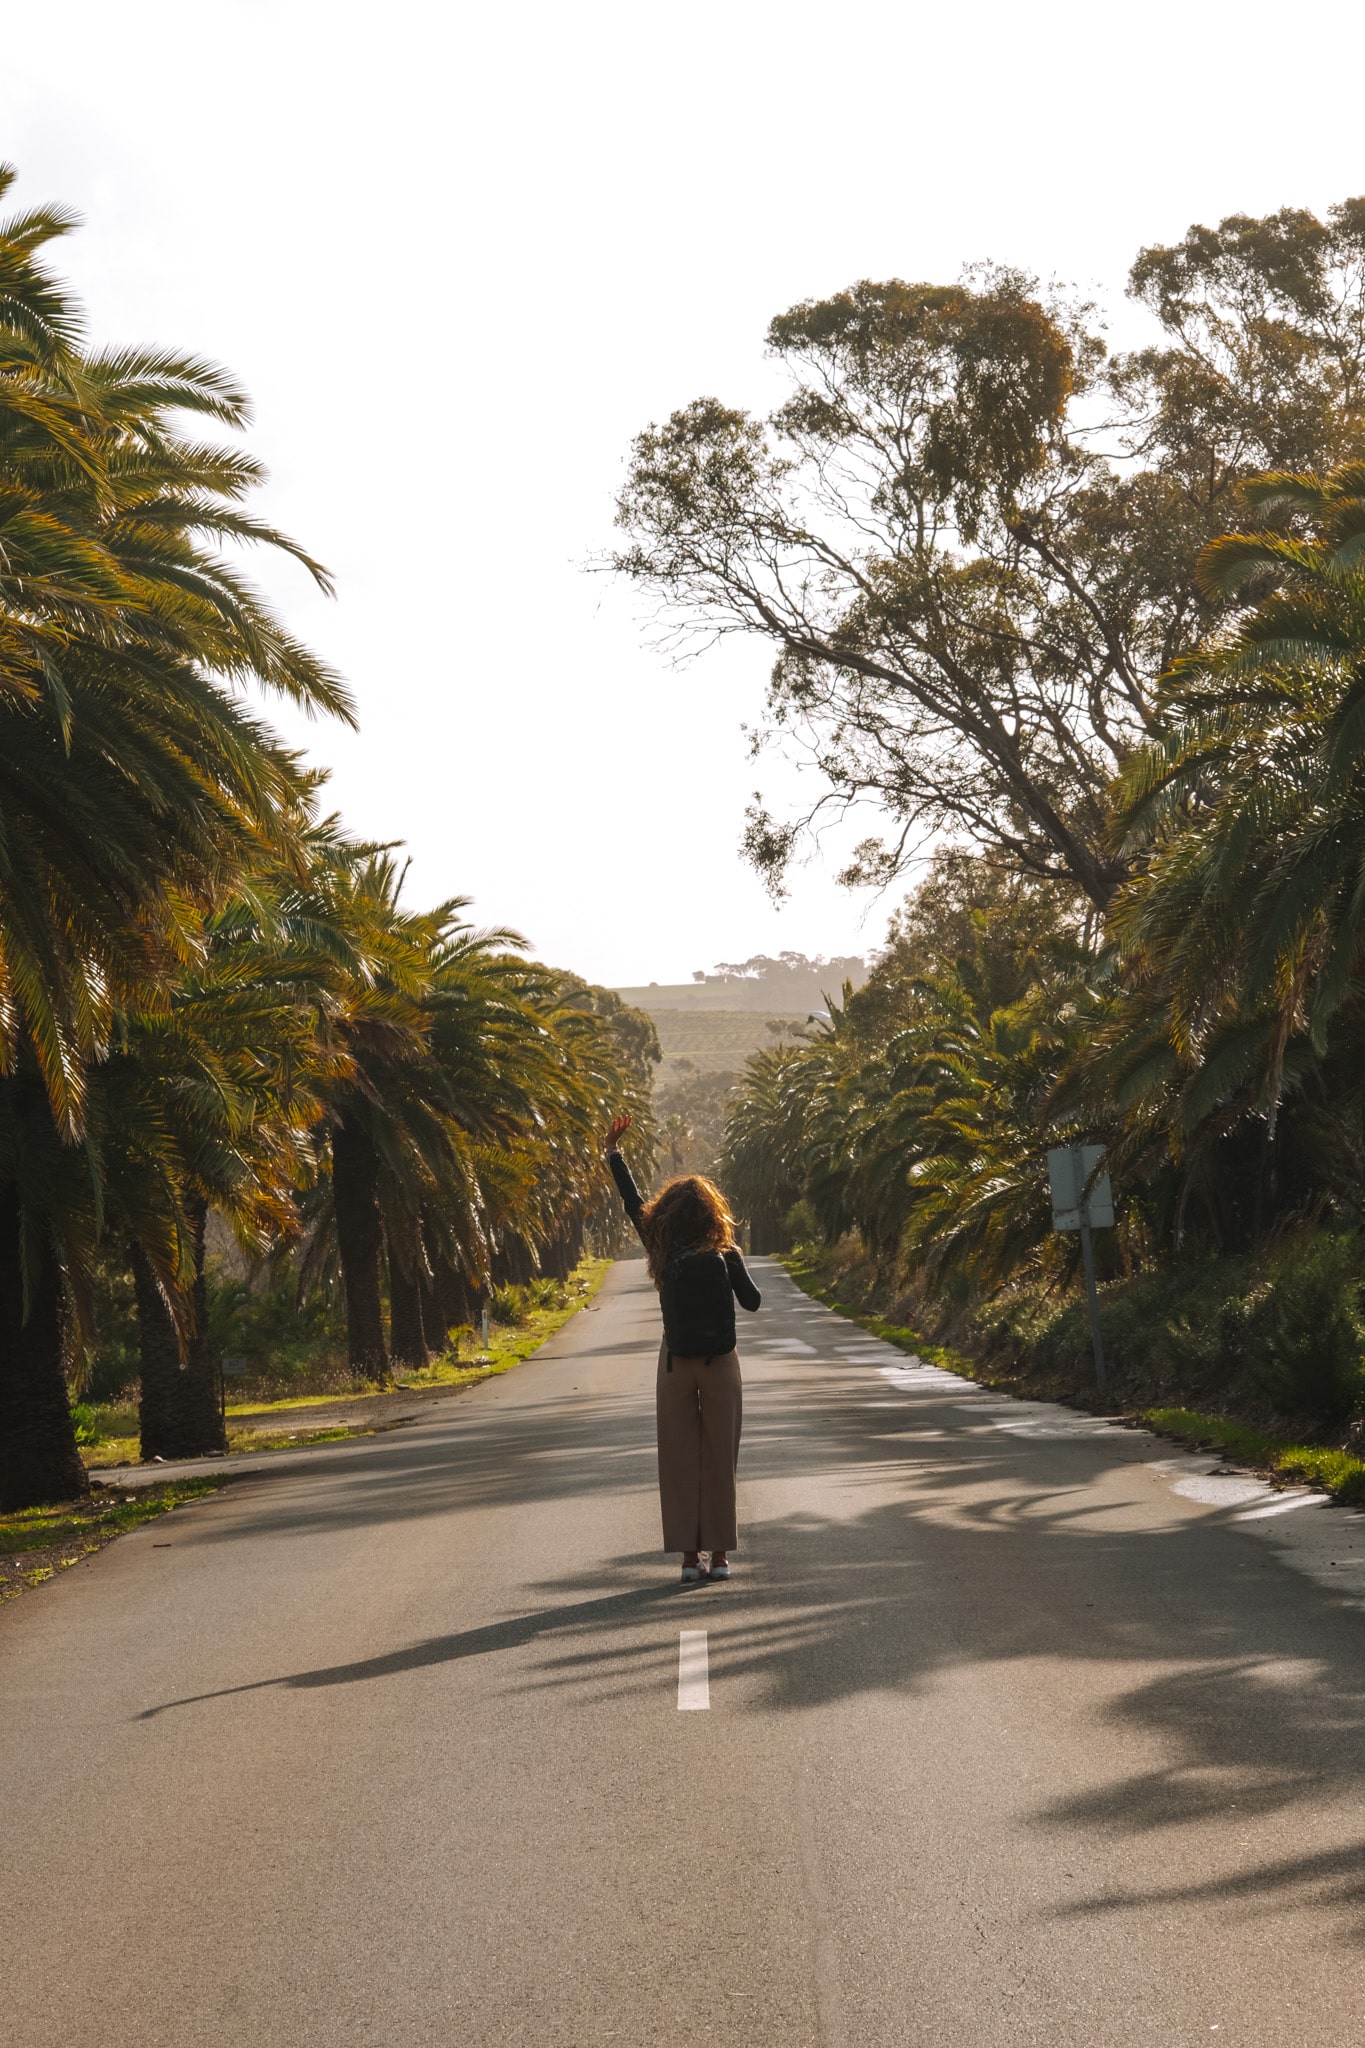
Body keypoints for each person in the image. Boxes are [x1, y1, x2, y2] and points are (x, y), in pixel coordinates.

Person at [605, 1113, 761, 1583]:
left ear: (668, 1214)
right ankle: (720, 1558)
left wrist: (613, 1152)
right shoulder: (725, 1252)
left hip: (675, 1360)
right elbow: (752, 1303)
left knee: (677, 1459)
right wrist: (731, 1259)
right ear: (714, 1213)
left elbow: (633, 1201)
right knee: (720, 1459)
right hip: (721, 1363)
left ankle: (688, 1561)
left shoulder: (658, 1243)